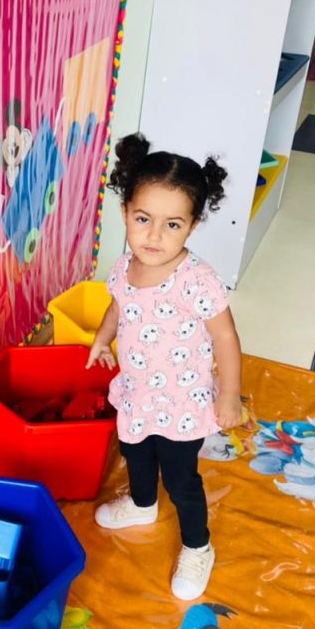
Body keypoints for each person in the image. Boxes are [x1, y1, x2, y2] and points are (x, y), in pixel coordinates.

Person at [87, 133, 243, 601]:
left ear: (191, 227)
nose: (154, 236)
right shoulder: (124, 265)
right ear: (125, 214)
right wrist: (102, 338)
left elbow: (225, 337)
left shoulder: (197, 279)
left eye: (172, 224)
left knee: (180, 479)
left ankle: (198, 546)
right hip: (137, 393)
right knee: (135, 453)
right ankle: (141, 504)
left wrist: (229, 396)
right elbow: (117, 305)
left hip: (181, 404)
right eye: (143, 219)